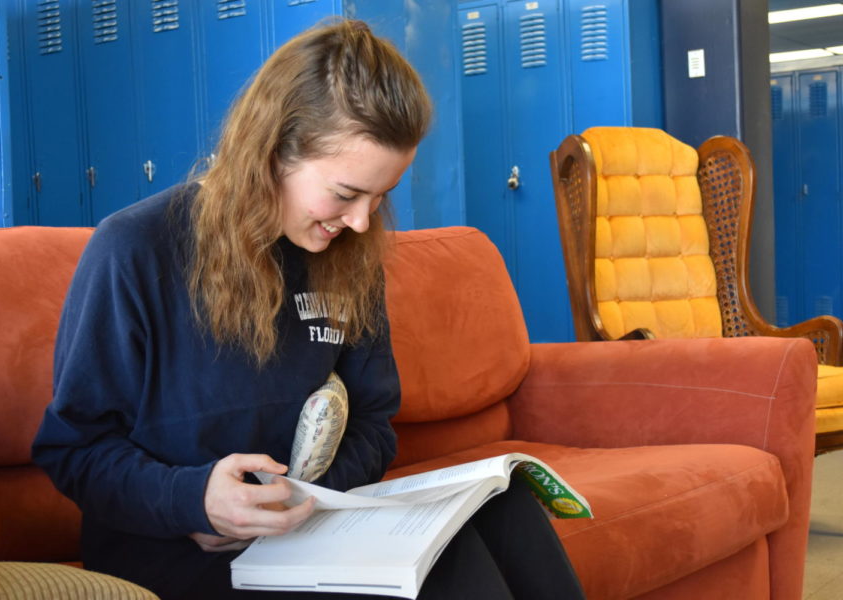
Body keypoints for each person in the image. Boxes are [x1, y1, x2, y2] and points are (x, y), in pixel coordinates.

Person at [32, 19, 586, 600]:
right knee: (448, 576)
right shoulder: (134, 249)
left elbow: (374, 422)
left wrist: (305, 498)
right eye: (346, 193)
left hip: (307, 532)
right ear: (270, 151)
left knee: (507, 511)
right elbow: (72, 448)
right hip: (178, 553)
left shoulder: (348, 255)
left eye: (381, 196)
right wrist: (195, 500)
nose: (362, 222)